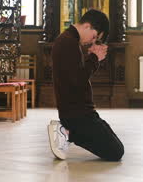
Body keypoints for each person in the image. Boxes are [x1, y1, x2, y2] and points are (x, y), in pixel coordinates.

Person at [47, 9, 124, 161]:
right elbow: (78, 80)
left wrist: (93, 58)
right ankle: (67, 132)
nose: (92, 41)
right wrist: (95, 58)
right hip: (78, 115)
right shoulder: (68, 42)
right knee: (116, 151)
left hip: (81, 112)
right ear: (87, 26)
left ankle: (68, 130)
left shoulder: (69, 40)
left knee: (112, 140)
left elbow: (75, 76)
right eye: (94, 36)